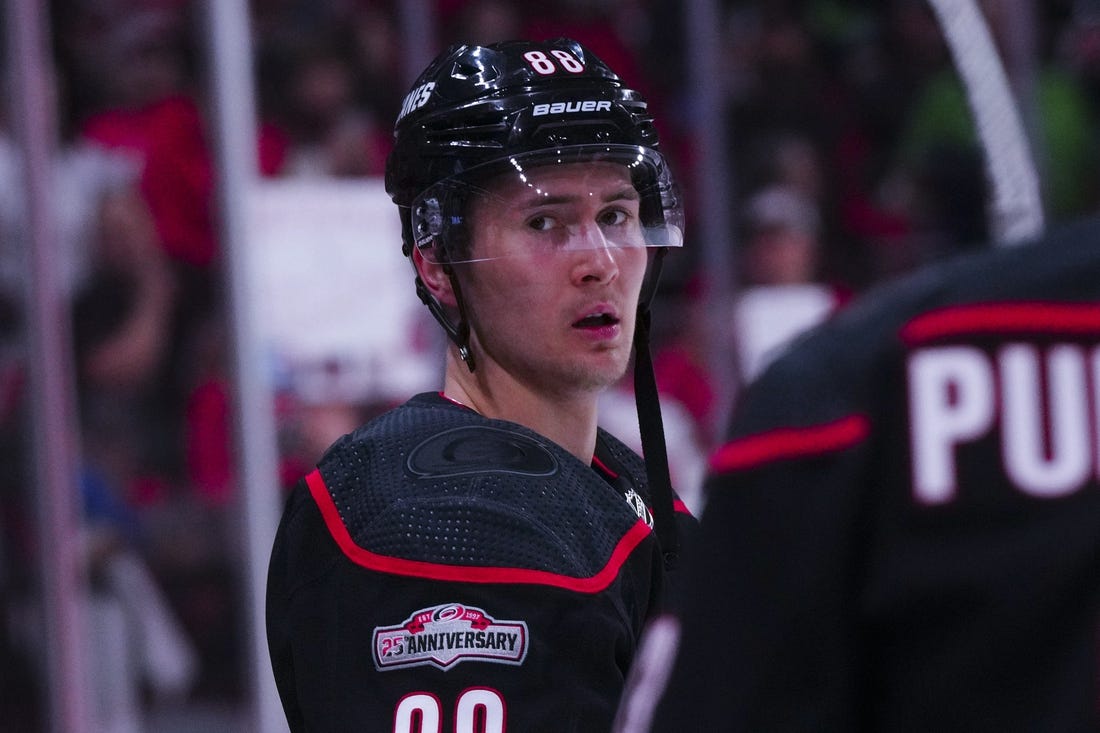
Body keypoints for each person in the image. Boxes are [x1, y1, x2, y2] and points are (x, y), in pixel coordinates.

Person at [266, 38, 696, 732]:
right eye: (546, 222)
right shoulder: (448, 519)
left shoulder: (611, 477)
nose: (601, 263)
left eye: (615, 215)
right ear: (437, 261)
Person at [615, 215, 1100, 732]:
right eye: (766, 239)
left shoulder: (851, 374)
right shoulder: (838, 376)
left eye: (785, 236)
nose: (776, 252)